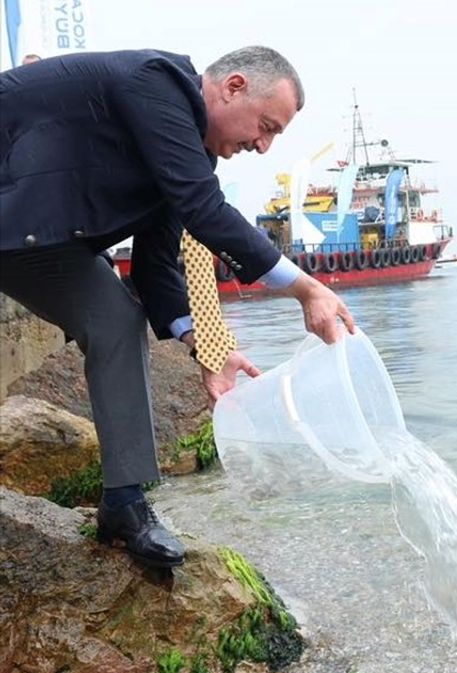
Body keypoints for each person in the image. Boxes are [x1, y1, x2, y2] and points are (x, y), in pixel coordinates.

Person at [0, 47, 356, 569]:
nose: (263, 145)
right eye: (266, 126)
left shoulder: (187, 154)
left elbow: (155, 267)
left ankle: (124, 503)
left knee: (118, 319)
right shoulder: (157, 84)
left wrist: (207, 348)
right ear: (232, 86)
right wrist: (307, 288)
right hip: (18, 210)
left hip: (32, 238)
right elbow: (203, 208)